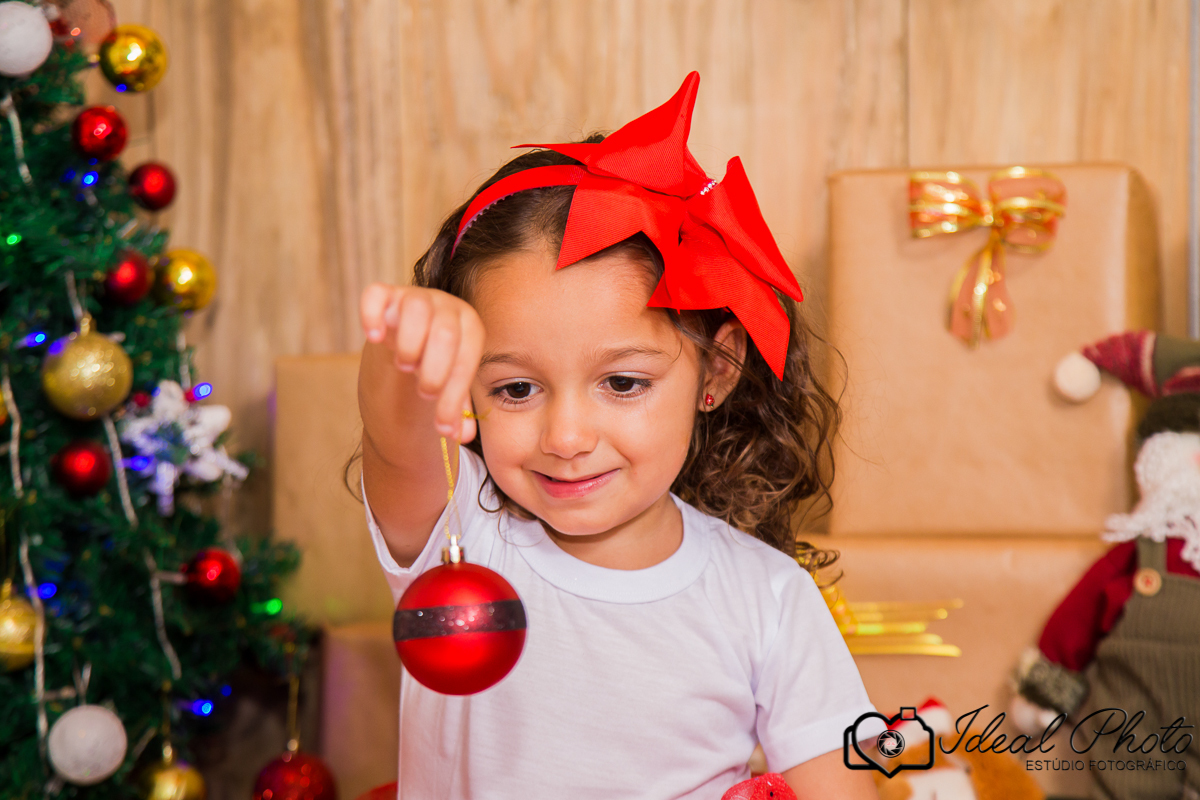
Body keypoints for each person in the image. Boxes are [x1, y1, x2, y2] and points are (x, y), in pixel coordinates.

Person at [356, 72, 882, 799]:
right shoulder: (462, 537)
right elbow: (394, 437)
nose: (567, 436)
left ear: (717, 370)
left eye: (623, 384)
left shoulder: (767, 597)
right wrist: (404, 347)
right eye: (515, 389)